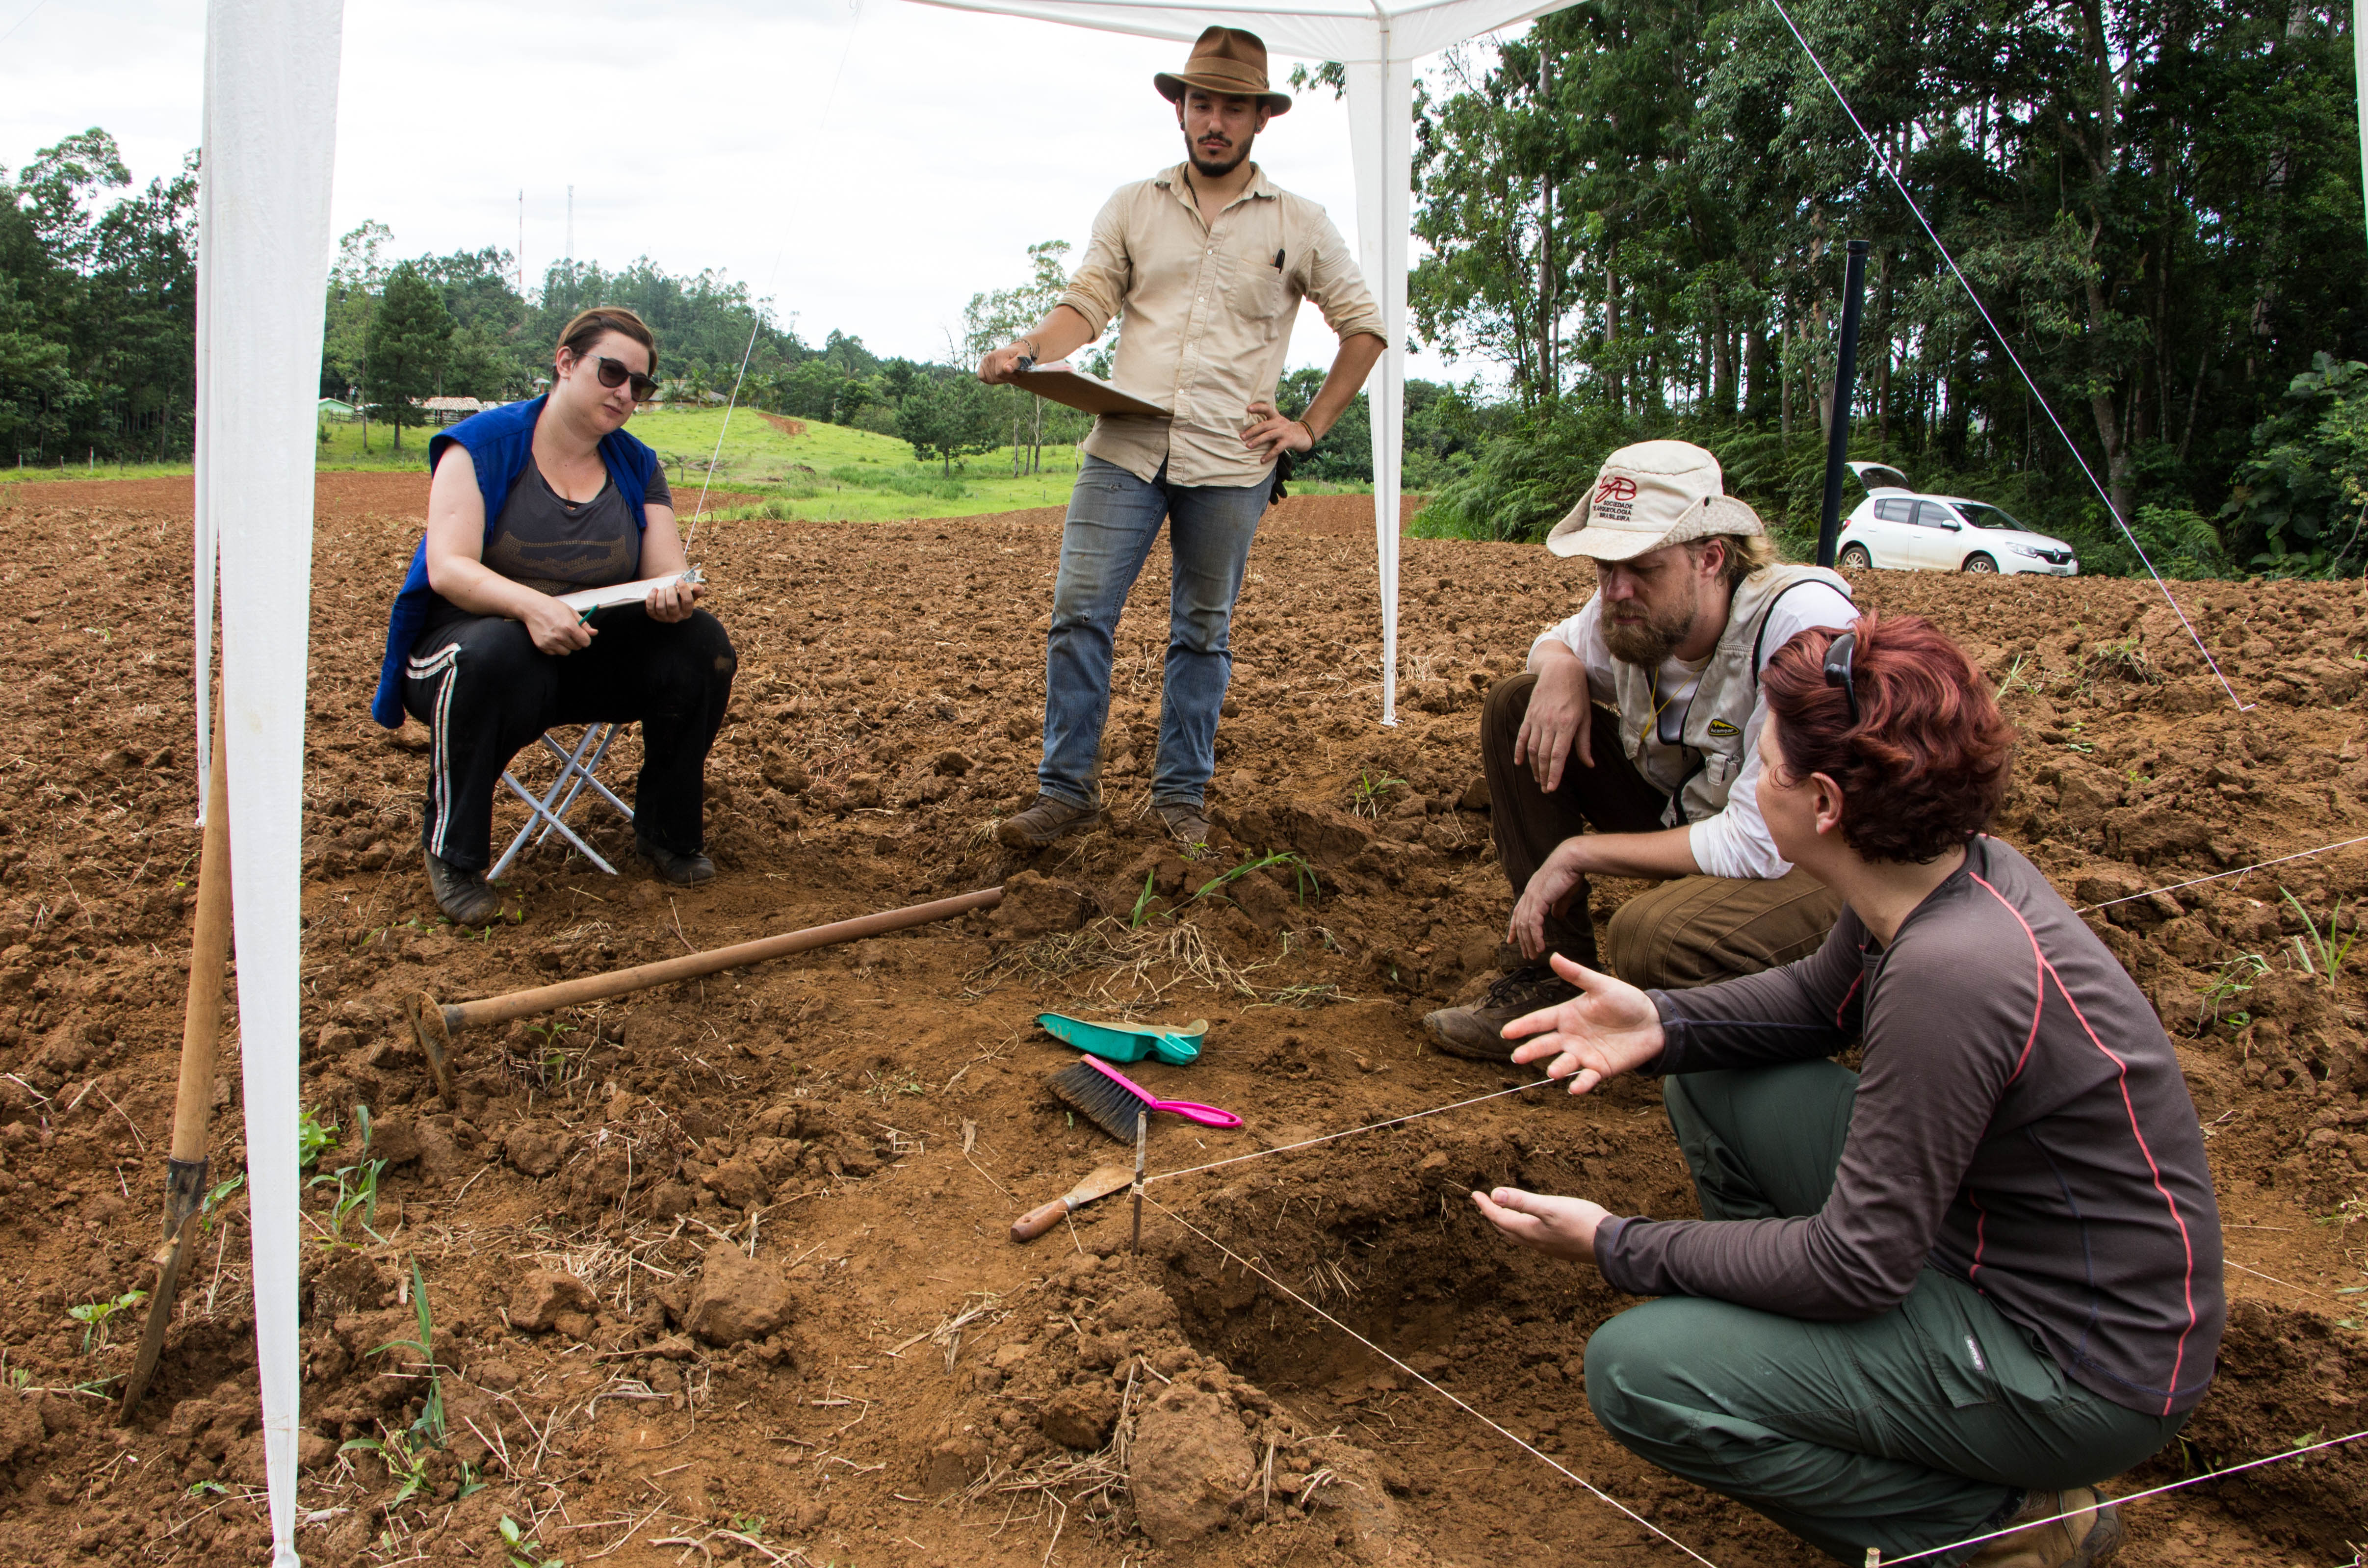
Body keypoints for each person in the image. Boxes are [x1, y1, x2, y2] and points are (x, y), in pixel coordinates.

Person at [1469, 613, 2225, 1568]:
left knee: (1640, 1371)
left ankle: (2000, 1529)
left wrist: (1615, 1240)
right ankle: (1832, 1381)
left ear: (1821, 801)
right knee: (1713, 1080)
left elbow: (1854, 1264)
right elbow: (1818, 1001)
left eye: (1765, 760)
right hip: (1988, 1250)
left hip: (2074, 1366)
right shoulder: (1940, 878)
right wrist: (1661, 1023)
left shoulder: (1952, 974)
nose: (1750, 779)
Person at [977, 26, 1387, 849]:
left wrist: (1307, 427)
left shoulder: (1299, 222)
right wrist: (1030, 349)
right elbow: (1086, 304)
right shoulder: (1133, 205)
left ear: (1259, 120)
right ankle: (1066, 794)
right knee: (1079, 613)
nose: (1216, 121)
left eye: (1234, 107)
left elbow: (1364, 329)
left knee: (1202, 631)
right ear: (1180, 109)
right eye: (1203, 103)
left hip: (1233, 461)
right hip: (1125, 446)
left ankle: (1178, 802)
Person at [1423, 439, 1856, 1058]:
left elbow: (1757, 844)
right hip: (1691, 811)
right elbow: (1553, 643)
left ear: (1711, 557)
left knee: (1650, 938)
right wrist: (1563, 669)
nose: (1616, 590)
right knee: (1519, 702)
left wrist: (1579, 852)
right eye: (1604, 567)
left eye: (1642, 568)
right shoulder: (1630, 606)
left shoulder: (1799, 624)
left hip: (1809, 865)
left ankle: (1791, 1001)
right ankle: (1553, 977)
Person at [368, 307, 736, 924]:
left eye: (639, 385)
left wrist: (675, 596)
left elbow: (667, 569)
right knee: (493, 651)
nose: (625, 394)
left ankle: (668, 834)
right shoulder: (479, 447)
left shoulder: (637, 465)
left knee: (702, 644)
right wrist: (530, 606)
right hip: (476, 651)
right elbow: (449, 568)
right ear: (565, 363)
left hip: (585, 651)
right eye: (612, 372)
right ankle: (453, 856)